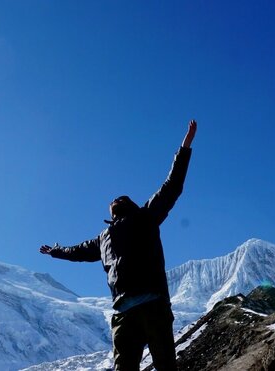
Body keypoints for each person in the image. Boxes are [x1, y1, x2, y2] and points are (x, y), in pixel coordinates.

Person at [40, 120, 196, 371]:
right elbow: (172, 187)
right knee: (165, 365)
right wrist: (185, 146)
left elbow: (77, 252)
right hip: (151, 307)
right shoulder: (141, 219)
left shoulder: (109, 235)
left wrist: (56, 252)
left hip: (125, 313)